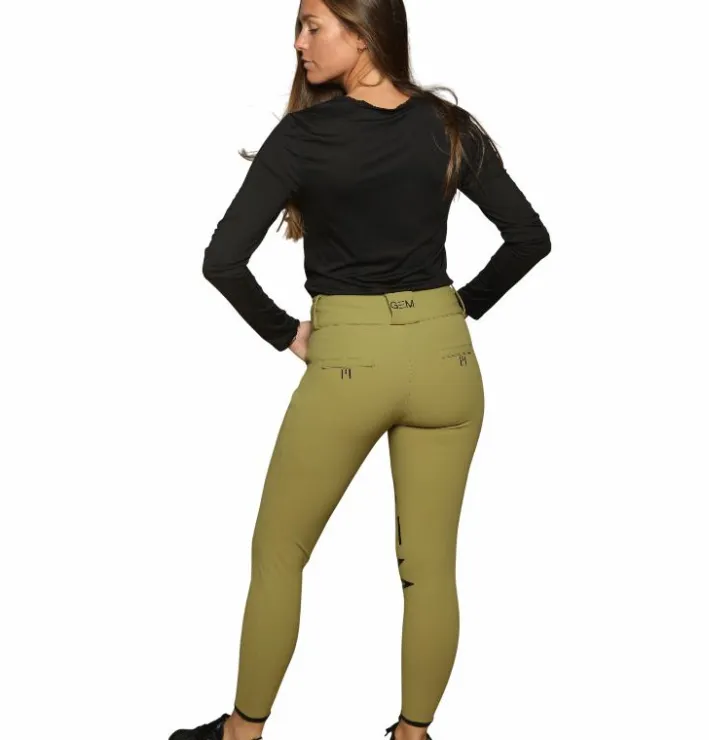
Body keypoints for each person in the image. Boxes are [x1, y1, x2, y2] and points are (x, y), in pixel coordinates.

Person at [169, 0, 551, 738]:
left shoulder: (303, 137)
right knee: (430, 568)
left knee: (279, 552)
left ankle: (241, 734)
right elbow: (528, 238)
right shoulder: (449, 127)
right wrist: (458, 310)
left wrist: (287, 333)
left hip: (350, 361)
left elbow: (222, 261)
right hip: (447, 363)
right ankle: (413, 733)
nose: (299, 41)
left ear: (364, 30)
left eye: (313, 25)